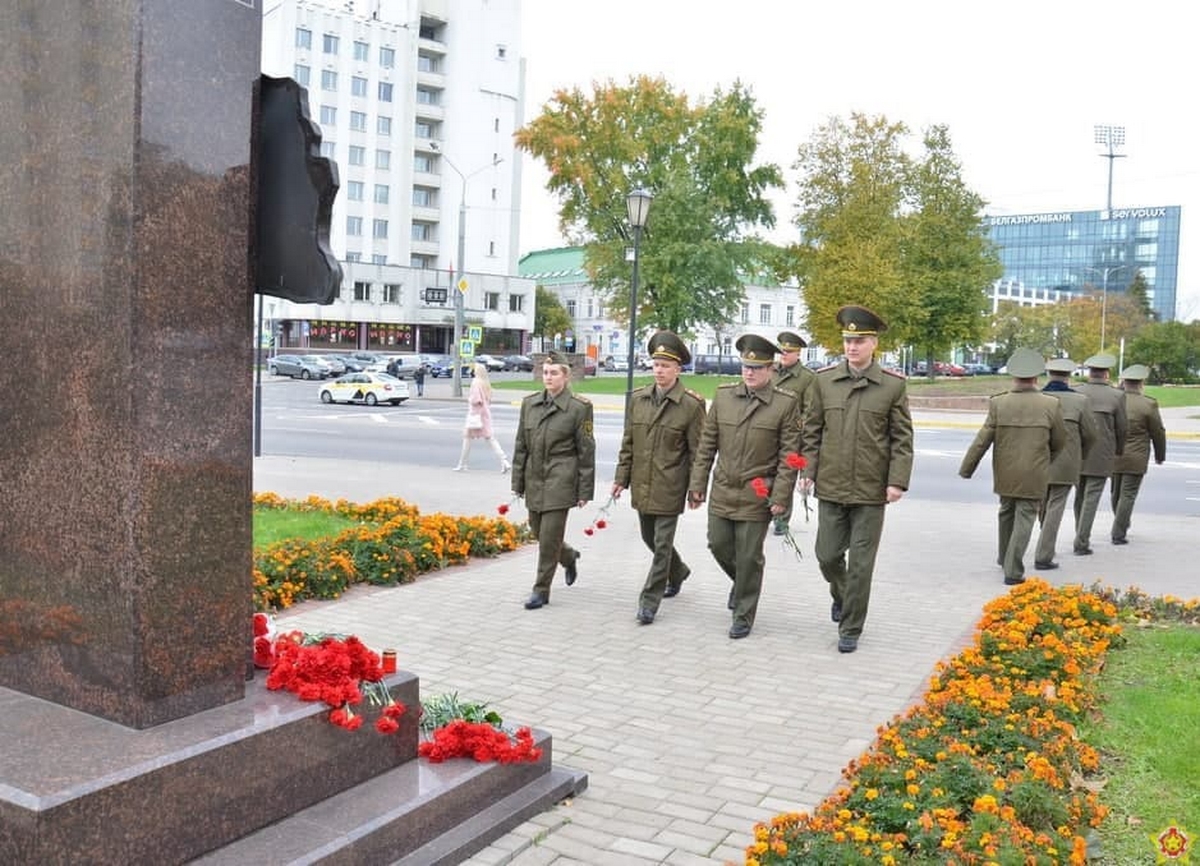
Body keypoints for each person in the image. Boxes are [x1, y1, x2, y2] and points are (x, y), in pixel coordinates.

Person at [798, 305, 913, 654]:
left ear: (874, 343)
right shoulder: (824, 382)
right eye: (848, 340)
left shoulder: (891, 386)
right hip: (831, 485)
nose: (851, 347)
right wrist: (807, 470)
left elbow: (902, 439)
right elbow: (811, 432)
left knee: (861, 565)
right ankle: (842, 594)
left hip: (870, 490)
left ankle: (851, 627)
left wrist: (897, 482)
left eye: (859, 341)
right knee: (827, 556)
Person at [688, 334, 801, 640]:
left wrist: (780, 497)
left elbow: (789, 457)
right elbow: (707, 444)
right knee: (718, 544)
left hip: (757, 491)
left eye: (757, 367)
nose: (750, 372)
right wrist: (697, 484)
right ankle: (742, 585)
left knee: (749, 555)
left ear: (771, 369)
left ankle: (743, 613)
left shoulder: (785, 404)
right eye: (746, 366)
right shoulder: (724, 397)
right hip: (723, 487)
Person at [612, 331, 706, 624]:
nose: (659, 370)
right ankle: (678, 571)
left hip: (670, 485)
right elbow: (628, 443)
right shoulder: (638, 399)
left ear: (678, 369)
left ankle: (648, 602)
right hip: (642, 482)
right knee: (649, 538)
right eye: (655, 364)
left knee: (662, 545)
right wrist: (620, 479)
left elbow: (698, 452)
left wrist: (696, 488)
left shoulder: (691, 405)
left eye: (666, 365)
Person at [959, 349, 1067, 586]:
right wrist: (1046, 459)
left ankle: (1003, 557)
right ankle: (1013, 571)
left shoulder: (999, 403)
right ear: (1036, 377)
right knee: (1025, 517)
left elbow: (982, 440)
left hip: (1005, 470)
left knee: (1006, 511)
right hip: (1035, 472)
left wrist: (967, 468)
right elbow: (1060, 441)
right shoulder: (1050, 404)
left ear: (1013, 376)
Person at [511, 351, 596, 610]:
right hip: (535, 477)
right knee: (537, 530)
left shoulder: (580, 407)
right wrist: (518, 483)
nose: (548, 377)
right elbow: (521, 446)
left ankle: (541, 590)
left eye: (554, 373)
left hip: (562, 478)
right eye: (545, 372)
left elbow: (586, 449)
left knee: (548, 539)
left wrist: (584, 490)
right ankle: (569, 556)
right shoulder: (530, 404)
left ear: (566, 376)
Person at [1033, 357, 1097, 570]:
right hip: (1066, 460)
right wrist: (1081, 455)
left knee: (1043, 502)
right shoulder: (1080, 401)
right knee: (1056, 505)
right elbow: (1090, 435)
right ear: (1069, 376)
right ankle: (1044, 554)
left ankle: (1044, 540)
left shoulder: (1037, 397)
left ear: (1049, 374)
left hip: (1037, 460)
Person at [1072, 353, 1127, 555]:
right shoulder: (1117, 396)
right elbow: (1122, 428)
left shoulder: (1076, 391)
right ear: (1106, 373)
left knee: (1079, 495)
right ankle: (1081, 542)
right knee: (1091, 497)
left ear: (1089, 372)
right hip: (1102, 453)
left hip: (1078, 451)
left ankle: (1079, 533)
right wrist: (1119, 450)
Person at [1110, 364, 1167, 545]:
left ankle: (1121, 523)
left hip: (1114, 454)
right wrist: (1160, 454)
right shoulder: (1148, 404)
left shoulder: (1114, 400)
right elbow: (1158, 432)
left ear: (1124, 382)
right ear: (1141, 383)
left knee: (1116, 493)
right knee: (1127, 495)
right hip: (1136, 456)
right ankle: (1119, 532)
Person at [771, 330, 816, 536]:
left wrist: (798, 427)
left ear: (798, 354)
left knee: (785, 476)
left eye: (789, 352)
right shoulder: (770, 372)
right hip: (769, 433)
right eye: (782, 351)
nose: (784, 355)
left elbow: (810, 409)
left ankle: (781, 519)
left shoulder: (807, 378)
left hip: (792, 436)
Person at [453, 362, 511, 473]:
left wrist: (470, 401)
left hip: (475, 415)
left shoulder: (476, 382)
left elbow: (476, 400)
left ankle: (462, 464)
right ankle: (504, 461)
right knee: (490, 438)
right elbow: (488, 400)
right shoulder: (485, 383)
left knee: (467, 439)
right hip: (485, 414)